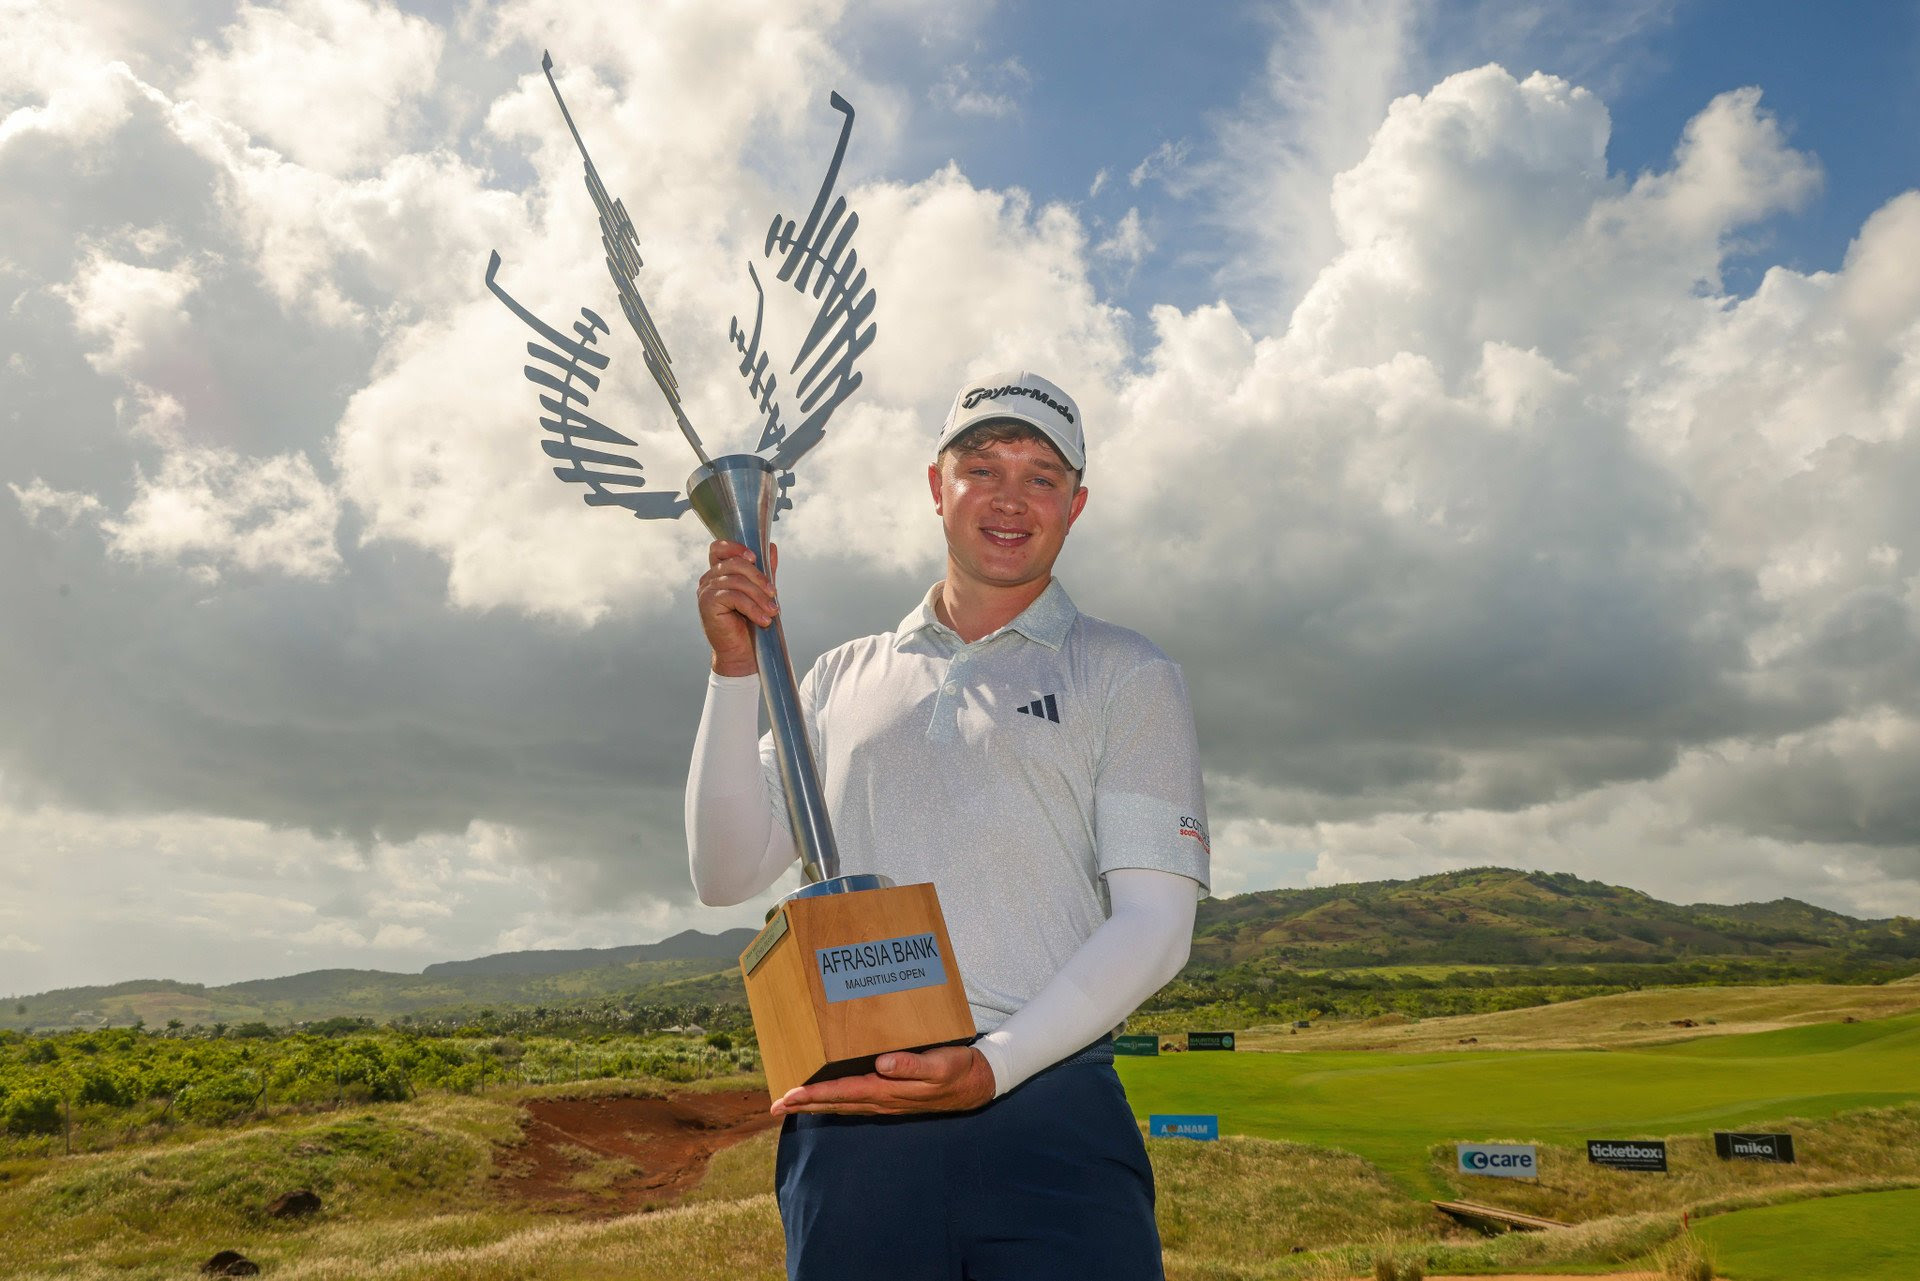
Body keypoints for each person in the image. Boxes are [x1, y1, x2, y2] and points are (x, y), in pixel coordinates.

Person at [686, 369, 1209, 1280]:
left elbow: (1157, 925)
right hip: (854, 1114)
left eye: (1041, 476)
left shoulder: (1127, 673)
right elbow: (723, 870)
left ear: (1076, 505)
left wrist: (992, 1065)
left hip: (1049, 1105)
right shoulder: (839, 677)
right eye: (982, 469)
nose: (1011, 498)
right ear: (938, 486)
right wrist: (735, 672)